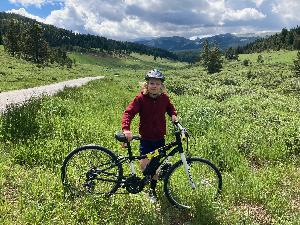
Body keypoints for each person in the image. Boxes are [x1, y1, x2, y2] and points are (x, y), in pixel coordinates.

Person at [121, 69, 177, 203]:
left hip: (159, 139)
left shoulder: (164, 98)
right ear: (147, 84)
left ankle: (151, 190)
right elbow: (128, 113)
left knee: (156, 168)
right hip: (146, 140)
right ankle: (146, 179)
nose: (154, 86)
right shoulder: (140, 99)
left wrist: (174, 115)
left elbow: (170, 108)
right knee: (145, 167)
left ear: (161, 86)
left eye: (157, 84)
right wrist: (126, 129)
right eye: (152, 83)